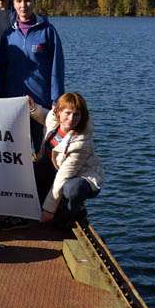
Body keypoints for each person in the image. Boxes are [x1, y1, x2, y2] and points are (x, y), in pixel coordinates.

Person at [0, 0, 64, 150]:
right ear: (13, 4)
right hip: (13, 102)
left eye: (28, 0)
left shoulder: (47, 31)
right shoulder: (8, 34)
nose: (23, 5)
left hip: (40, 101)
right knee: (14, 151)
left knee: (43, 148)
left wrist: (56, 98)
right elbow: (1, 68)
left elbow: (57, 68)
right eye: (19, 1)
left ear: (34, 3)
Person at [28, 92, 103, 225]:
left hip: (79, 176)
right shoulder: (53, 118)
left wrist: (48, 210)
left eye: (77, 115)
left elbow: (63, 176)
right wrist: (33, 108)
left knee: (72, 189)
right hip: (55, 169)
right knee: (30, 172)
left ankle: (72, 214)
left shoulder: (81, 142)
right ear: (58, 112)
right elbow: (45, 116)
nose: (71, 118)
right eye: (68, 113)